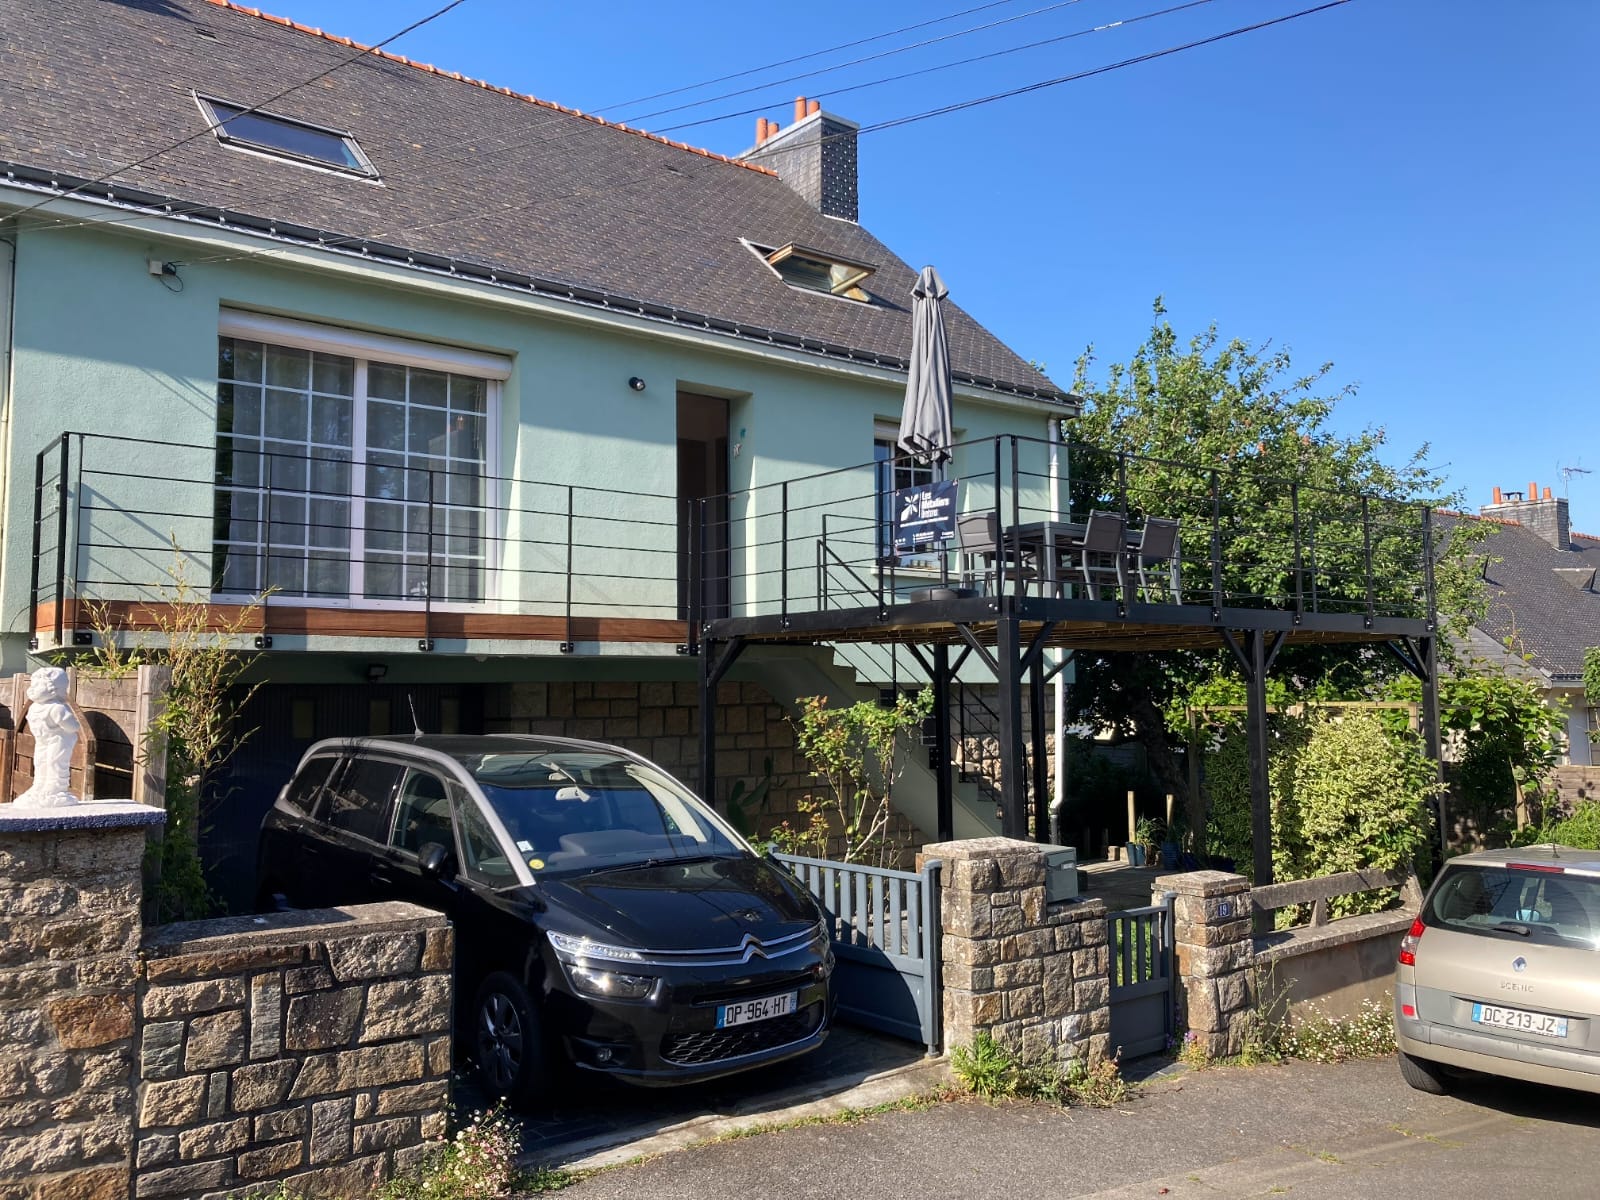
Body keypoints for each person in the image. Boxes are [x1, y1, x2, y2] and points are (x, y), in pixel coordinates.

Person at [14, 667, 81, 807]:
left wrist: (63, 723)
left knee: (55, 762)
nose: (32, 688)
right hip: (42, 741)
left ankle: (56, 788)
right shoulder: (34, 707)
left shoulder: (56, 708)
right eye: (33, 684)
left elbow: (73, 727)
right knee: (40, 762)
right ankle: (39, 785)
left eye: (38, 685)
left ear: (53, 689)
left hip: (58, 740)